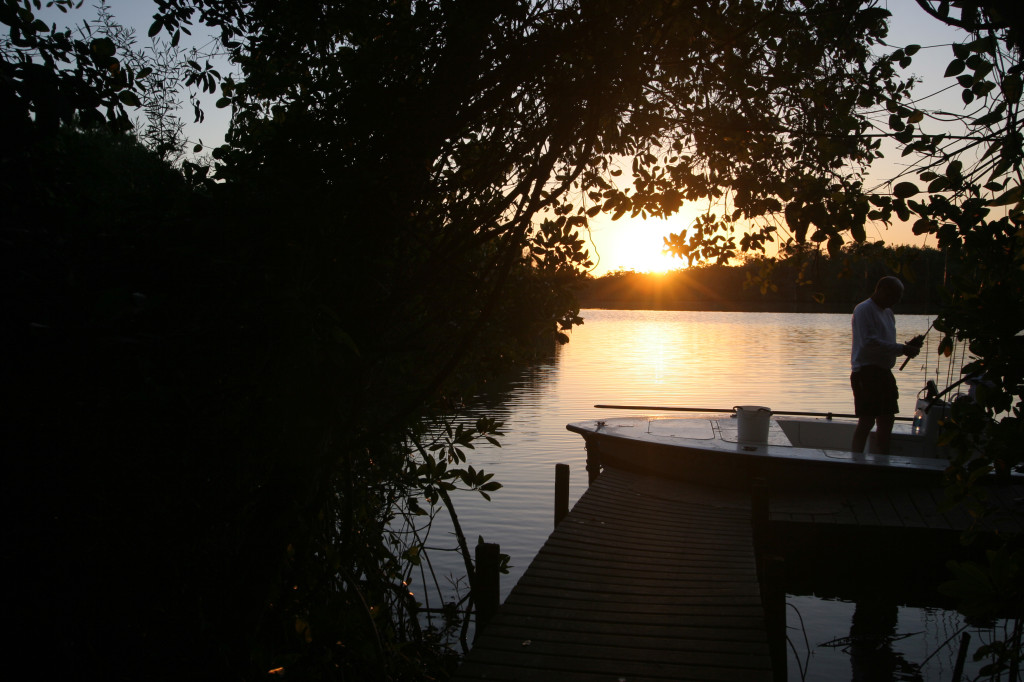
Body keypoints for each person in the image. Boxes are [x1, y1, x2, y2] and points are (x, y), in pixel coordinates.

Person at [850, 276, 922, 454]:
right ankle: (856, 459)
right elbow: (869, 342)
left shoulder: (888, 313)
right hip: (866, 372)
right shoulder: (864, 309)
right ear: (881, 290)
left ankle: (882, 458)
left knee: (887, 419)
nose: (898, 299)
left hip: (884, 373)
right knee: (867, 420)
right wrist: (902, 349)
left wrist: (906, 347)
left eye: (900, 295)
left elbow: (885, 344)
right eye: (895, 294)